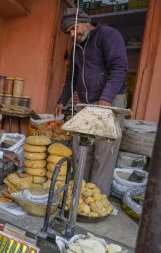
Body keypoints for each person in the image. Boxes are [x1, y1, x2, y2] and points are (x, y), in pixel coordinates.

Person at [54, 8, 128, 195]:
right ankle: (79, 193)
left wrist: (105, 99)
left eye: (73, 28)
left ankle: (97, 198)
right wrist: (62, 100)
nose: (72, 34)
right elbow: (72, 77)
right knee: (81, 149)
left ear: (86, 21)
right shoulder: (75, 48)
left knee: (103, 152)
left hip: (109, 100)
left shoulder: (108, 35)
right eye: (68, 31)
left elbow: (119, 68)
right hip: (86, 104)